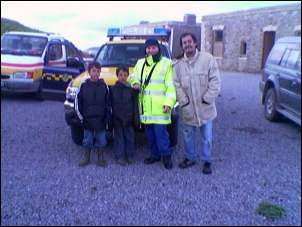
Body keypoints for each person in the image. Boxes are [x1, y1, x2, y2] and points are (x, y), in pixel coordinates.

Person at [172, 32, 221, 174]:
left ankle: (207, 161)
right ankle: (189, 158)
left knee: (206, 137)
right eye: (184, 43)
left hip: (206, 108)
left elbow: (215, 81)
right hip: (188, 109)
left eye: (189, 41)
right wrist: (184, 102)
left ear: (195, 43)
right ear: (182, 46)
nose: (187, 44)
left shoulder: (208, 59)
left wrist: (208, 98)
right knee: (188, 134)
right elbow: (176, 84)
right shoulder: (178, 65)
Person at [130, 38, 176, 170]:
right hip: (145, 107)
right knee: (150, 134)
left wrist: (169, 103)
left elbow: (171, 86)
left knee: (160, 134)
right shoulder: (140, 63)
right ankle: (154, 155)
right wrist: (135, 83)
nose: (150, 50)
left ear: (158, 48)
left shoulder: (167, 64)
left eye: (153, 48)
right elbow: (133, 76)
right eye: (148, 48)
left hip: (160, 107)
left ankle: (166, 156)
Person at [75, 61, 111, 167]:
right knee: (87, 139)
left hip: (101, 120)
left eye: (98, 71)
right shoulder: (83, 86)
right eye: (93, 71)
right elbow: (78, 103)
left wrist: (107, 117)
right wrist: (81, 118)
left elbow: (108, 103)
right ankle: (86, 157)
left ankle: (101, 158)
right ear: (89, 72)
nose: (96, 73)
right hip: (87, 120)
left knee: (101, 139)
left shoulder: (104, 86)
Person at [109, 65, 140, 166]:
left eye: (125, 75)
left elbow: (135, 105)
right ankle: (119, 157)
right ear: (117, 75)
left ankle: (129, 156)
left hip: (129, 118)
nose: (122, 77)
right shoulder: (112, 89)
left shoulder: (132, 90)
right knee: (119, 139)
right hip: (117, 118)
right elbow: (110, 105)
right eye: (120, 75)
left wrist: (136, 119)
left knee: (130, 138)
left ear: (128, 76)